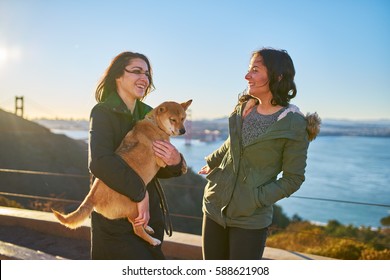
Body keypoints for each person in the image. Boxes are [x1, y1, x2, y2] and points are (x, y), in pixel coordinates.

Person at [199, 47, 321, 260]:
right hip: (214, 206)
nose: (247, 76)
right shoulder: (245, 108)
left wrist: (255, 199)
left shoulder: (293, 124)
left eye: (255, 70)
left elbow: (293, 178)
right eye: (249, 69)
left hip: (250, 219)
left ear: (278, 76)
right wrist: (213, 161)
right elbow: (232, 143)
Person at [88, 51, 187, 259]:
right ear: (118, 75)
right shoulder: (103, 112)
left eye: (147, 73)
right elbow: (100, 163)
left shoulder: (151, 113)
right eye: (137, 71)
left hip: (149, 216)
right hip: (114, 217)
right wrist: (139, 192)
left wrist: (176, 162)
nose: (144, 78)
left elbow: (156, 165)